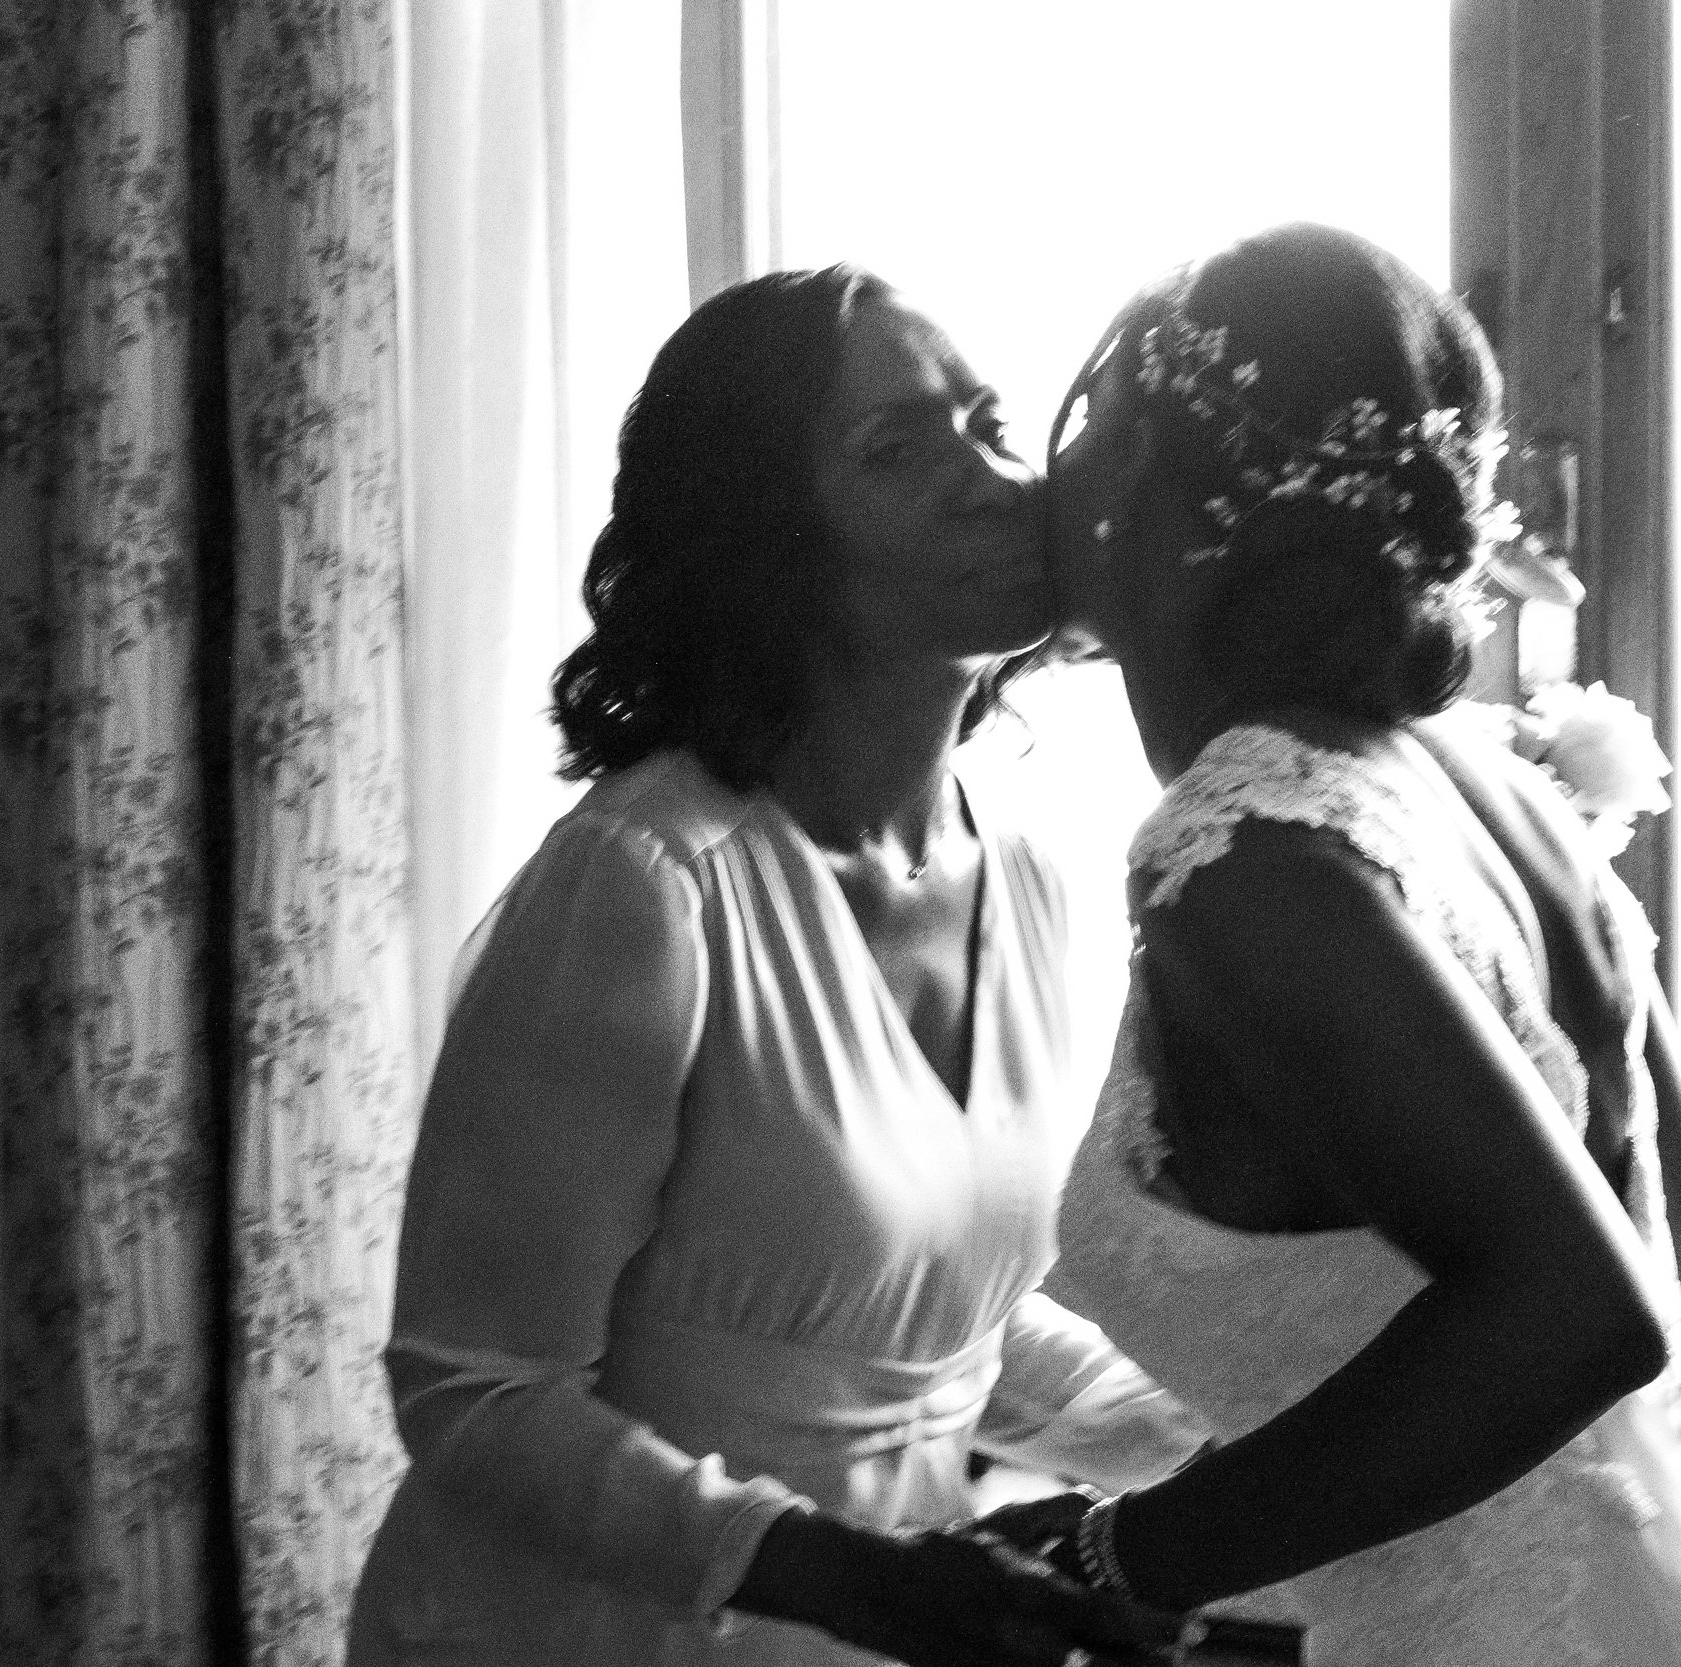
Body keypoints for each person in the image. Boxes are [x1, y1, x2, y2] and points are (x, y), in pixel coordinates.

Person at [985, 225, 1681, 1665]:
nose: (1040, 475)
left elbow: (1588, 1307)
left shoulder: (1246, 855)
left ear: (1146, 476)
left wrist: (1118, 1554)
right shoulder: (1501, 794)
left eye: (1080, 427)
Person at [348, 266, 1209, 1667]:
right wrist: (836, 1574)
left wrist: (1223, 1444)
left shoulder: (1035, 882)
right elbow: (474, 1393)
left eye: (989, 424)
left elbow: (934, 1341)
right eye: (896, 450)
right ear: (765, 542)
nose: (992, 480)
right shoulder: (645, 888)